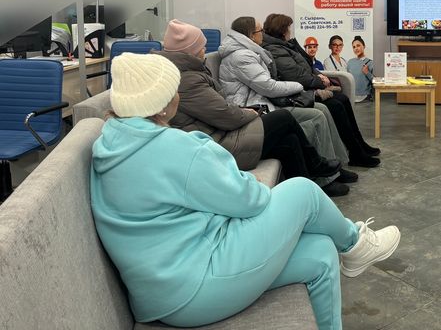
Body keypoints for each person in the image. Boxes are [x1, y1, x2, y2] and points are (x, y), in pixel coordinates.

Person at [90, 52, 401, 329]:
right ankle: (355, 244)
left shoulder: (112, 144)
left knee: (321, 254)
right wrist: (253, 185)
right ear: (160, 104)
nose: (178, 96)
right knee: (303, 192)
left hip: (164, 292)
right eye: (173, 89)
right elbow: (248, 201)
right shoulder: (175, 148)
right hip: (196, 284)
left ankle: (350, 256)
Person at [157, 19, 346, 195]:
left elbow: (220, 109)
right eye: (201, 46)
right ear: (190, 51)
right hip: (217, 145)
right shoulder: (189, 79)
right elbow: (226, 115)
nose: (204, 50)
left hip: (219, 134)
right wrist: (251, 113)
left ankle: (306, 191)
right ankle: (316, 165)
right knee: (283, 118)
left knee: (289, 141)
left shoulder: (188, 72)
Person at [217, 17, 364, 194]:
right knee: (318, 114)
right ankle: (326, 177)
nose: (262, 33)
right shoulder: (242, 56)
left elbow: (295, 71)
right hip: (257, 108)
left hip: (266, 102)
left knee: (324, 109)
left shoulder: (253, 51)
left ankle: (335, 168)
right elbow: (270, 86)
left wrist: (312, 80)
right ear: (250, 35)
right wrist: (302, 86)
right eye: (259, 31)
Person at [262, 14, 381, 167]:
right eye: (288, 28)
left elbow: (307, 65)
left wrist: (319, 75)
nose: (290, 31)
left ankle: (359, 145)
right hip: (299, 93)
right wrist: (319, 81)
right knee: (336, 105)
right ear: (282, 30)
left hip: (307, 87)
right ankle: (355, 152)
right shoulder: (275, 50)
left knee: (342, 99)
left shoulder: (285, 46)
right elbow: (296, 76)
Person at [346, 35, 374, 102]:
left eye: (358, 45)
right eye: (354, 47)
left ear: (364, 46)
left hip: (365, 98)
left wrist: (367, 73)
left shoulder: (370, 63)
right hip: (351, 97)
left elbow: (376, 82)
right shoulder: (350, 62)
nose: (356, 48)